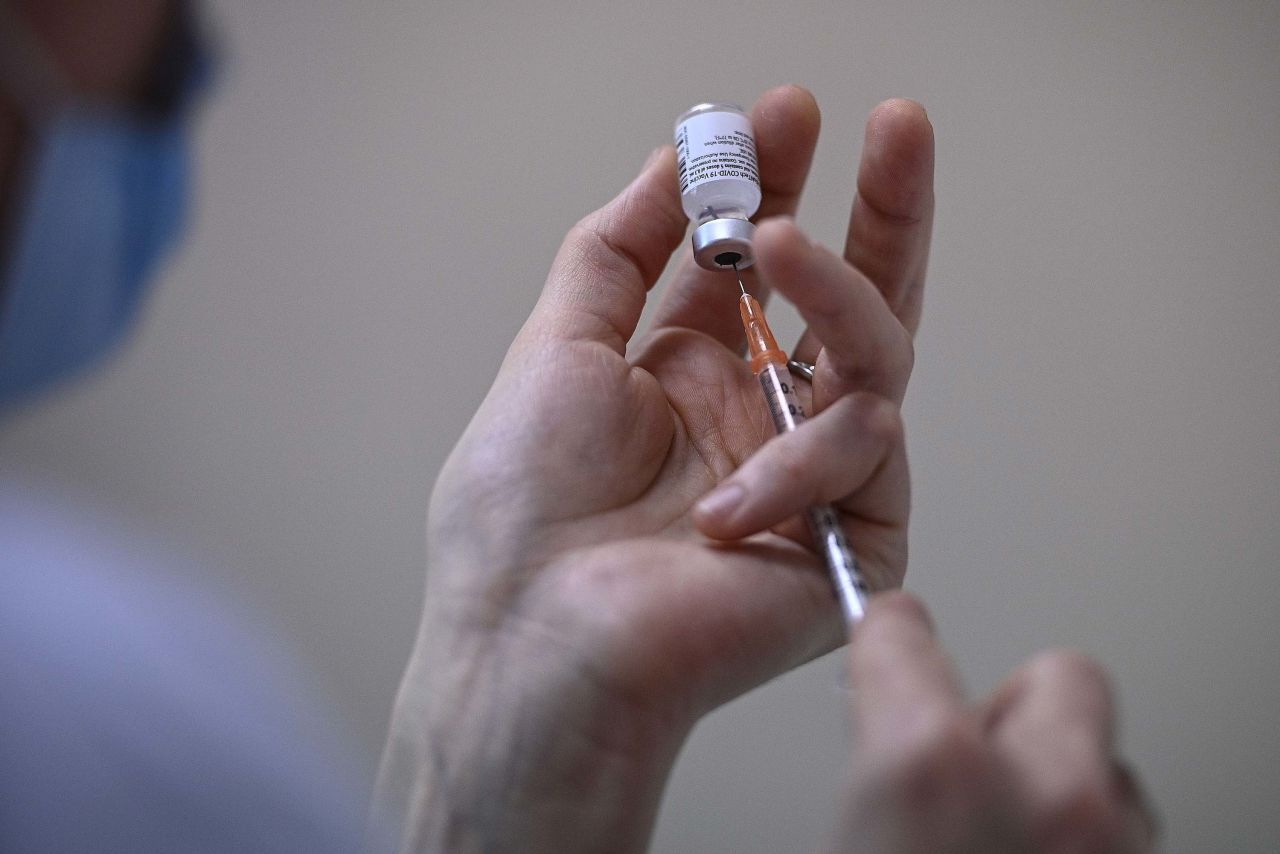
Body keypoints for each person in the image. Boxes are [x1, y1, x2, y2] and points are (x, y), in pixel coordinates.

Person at [0, 2, 1155, 851]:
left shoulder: (103, 667)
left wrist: (530, 676)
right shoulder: (87, 702)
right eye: (155, 76)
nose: (166, 93)